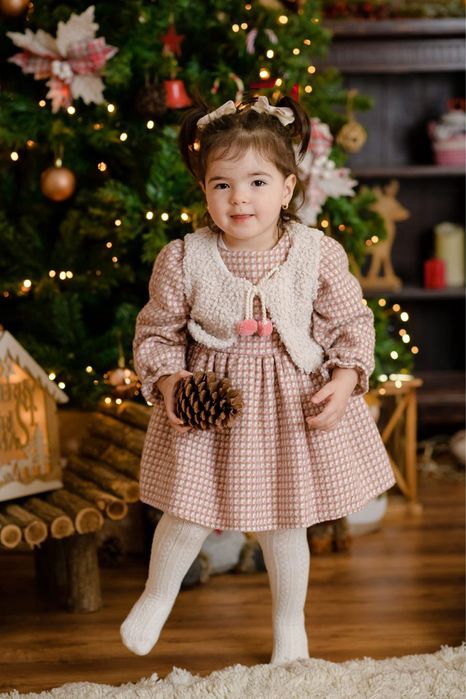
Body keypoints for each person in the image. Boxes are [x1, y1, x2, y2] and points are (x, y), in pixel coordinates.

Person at [120, 95, 395, 664]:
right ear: (204, 191)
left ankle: (289, 624)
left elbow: (351, 322)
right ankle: (156, 595)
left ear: (288, 188)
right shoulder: (184, 258)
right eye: (222, 184)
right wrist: (171, 384)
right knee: (187, 514)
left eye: (257, 182)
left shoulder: (315, 254)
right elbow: (156, 333)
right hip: (212, 410)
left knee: (284, 525)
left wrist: (346, 377)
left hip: (288, 409)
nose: (239, 198)